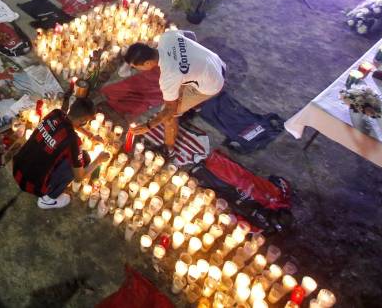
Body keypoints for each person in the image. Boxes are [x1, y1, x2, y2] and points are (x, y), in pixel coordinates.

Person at [124, 32, 226, 160]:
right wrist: (187, 59)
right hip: (215, 62)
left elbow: (169, 110)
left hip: (212, 83)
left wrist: (148, 126)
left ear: (148, 63)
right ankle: (188, 104)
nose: (137, 70)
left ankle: (169, 149)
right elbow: (191, 35)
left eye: (136, 67)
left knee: (168, 117)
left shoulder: (169, 76)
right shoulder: (167, 37)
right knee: (177, 92)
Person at [12, 97, 108, 210]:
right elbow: (79, 177)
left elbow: (71, 123)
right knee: (84, 158)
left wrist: (90, 136)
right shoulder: (73, 141)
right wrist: (98, 160)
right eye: (86, 120)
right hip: (33, 186)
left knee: (65, 154)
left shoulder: (56, 113)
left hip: (17, 168)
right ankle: (48, 199)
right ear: (83, 120)